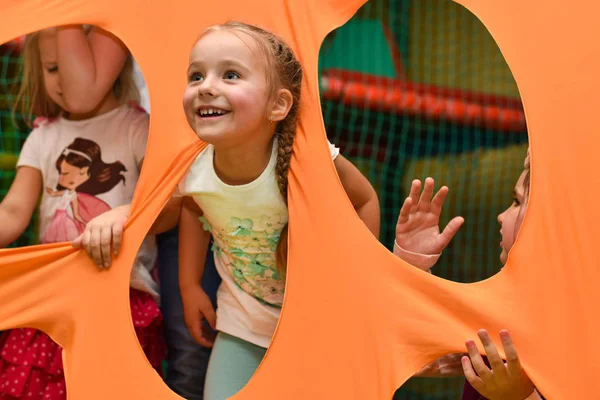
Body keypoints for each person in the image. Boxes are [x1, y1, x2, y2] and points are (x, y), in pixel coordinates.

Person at [76, 21, 380, 399]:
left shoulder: (309, 160)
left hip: (317, 321)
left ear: (279, 104)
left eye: (230, 75)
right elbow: (187, 209)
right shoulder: (194, 165)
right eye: (196, 75)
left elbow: (364, 199)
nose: (206, 86)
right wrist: (126, 221)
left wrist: (359, 282)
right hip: (244, 321)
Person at [56, 24, 221, 399]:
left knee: (197, 355)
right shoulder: (139, 126)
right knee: (187, 353)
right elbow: (183, 200)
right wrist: (134, 211)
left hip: (210, 191)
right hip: (178, 196)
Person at [0, 27, 164, 399]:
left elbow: (166, 202)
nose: (63, 80)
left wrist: (124, 214)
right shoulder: (42, 136)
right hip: (52, 296)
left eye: (70, 65)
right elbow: (12, 211)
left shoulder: (136, 127)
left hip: (118, 294)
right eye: (52, 68)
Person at [395, 150, 542, 399]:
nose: (501, 215)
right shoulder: (496, 310)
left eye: (516, 203)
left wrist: (516, 396)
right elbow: (416, 353)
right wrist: (412, 264)